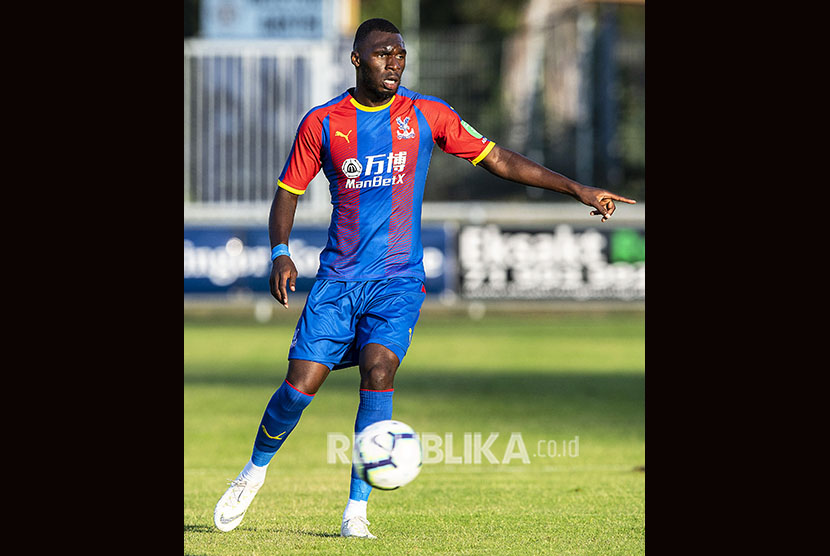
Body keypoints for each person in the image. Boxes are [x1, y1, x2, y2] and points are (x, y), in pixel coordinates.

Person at [213, 18, 636, 538]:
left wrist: (579, 190)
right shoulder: (322, 123)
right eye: (382, 53)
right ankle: (252, 474)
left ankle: (356, 512)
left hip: (397, 279)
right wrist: (280, 251)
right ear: (356, 59)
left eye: (400, 53)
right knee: (299, 390)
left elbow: (499, 159)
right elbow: (288, 192)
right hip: (338, 282)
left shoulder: (428, 114)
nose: (394, 61)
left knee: (380, 370)